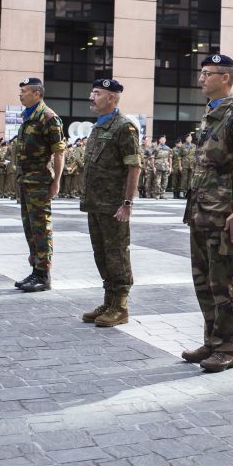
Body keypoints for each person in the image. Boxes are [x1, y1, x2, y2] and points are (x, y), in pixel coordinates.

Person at [181, 54, 233, 373]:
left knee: (224, 282)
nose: (201, 78)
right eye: (202, 73)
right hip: (200, 211)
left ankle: (228, 347)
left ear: (225, 77)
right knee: (203, 281)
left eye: (207, 73)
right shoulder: (210, 115)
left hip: (223, 214)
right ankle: (213, 341)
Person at [80, 78, 142, 327]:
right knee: (101, 254)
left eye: (97, 93)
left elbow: (134, 167)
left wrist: (127, 203)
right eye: (92, 92)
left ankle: (120, 307)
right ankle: (108, 301)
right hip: (95, 204)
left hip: (114, 206)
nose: (91, 97)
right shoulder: (98, 126)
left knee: (116, 254)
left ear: (112, 98)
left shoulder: (124, 127)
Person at [14, 77, 65, 292]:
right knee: (29, 227)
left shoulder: (48, 117)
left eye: (24, 91)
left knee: (41, 228)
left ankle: (44, 275)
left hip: (40, 182)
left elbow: (59, 152)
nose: (20, 94)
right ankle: (36, 269)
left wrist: (56, 182)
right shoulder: (28, 116)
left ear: (37, 93)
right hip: (26, 181)